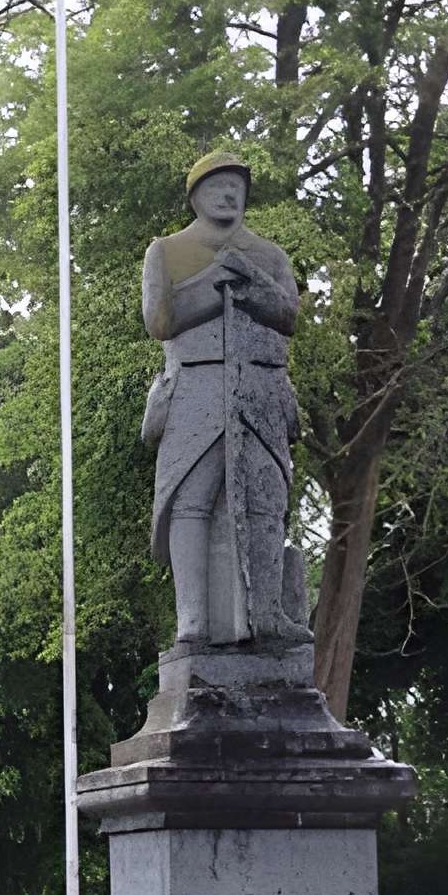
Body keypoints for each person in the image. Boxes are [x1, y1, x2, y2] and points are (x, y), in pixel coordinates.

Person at [141, 149, 310, 647]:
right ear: (196, 196)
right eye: (218, 185)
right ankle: (192, 624)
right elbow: (160, 320)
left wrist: (250, 279)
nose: (229, 192)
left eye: (237, 185)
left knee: (266, 501)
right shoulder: (167, 251)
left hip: (261, 386)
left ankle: (268, 617)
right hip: (195, 385)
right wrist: (216, 280)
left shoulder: (270, 255)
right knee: (189, 500)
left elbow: (288, 316)